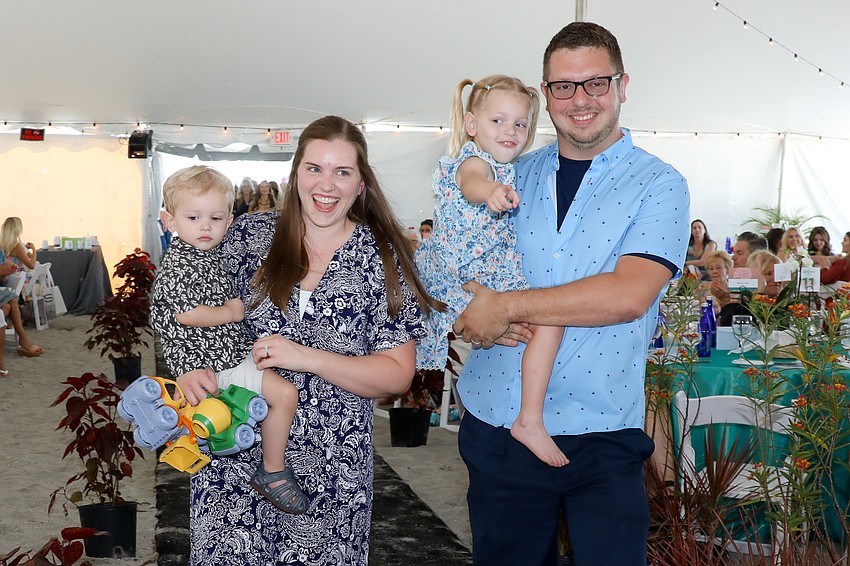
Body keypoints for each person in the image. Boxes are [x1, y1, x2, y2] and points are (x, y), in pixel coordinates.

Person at [452, 22, 690, 566]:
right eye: (564, 86)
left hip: (603, 432)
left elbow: (629, 294)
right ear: (545, 94)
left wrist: (507, 306)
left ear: (622, 86)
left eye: (596, 83)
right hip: (499, 424)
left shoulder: (659, 183)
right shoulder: (508, 172)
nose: (580, 100)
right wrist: (463, 310)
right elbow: (456, 255)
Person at [175, 115, 438, 565]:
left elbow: (397, 375)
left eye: (342, 171)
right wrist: (189, 365)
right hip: (233, 449)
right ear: (295, 173)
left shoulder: (381, 258)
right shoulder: (249, 236)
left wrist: (307, 358)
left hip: (331, 473)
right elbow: (181, 302)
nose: (327, 184)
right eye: (314, 168)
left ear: (361, 184)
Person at [416, 75, 568, 467]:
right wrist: (492, 193)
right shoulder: (475, 161)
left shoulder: (510, 167)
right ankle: (529, 420)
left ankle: (509, 410)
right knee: (551, 319)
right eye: (498, 121)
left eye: (520, 124)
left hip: (482, 268)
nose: (510, 131)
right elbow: (471, 185)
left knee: (540, 325)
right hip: (464, 269)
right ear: (472, 126)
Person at [152, 165, 308, 514]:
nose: (205, 226)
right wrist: (232, 312)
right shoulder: (180, 262)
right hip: (218, 365)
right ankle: (273, 470)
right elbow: (185, 313)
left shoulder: (208, 254)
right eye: (193, 217)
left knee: (280, 393)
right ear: (170, 220)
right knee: (283, 395)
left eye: (215, 218)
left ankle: (265, 463)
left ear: (229, 219)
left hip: (230, 356)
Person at [0, 242, 42, 357]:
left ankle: (22, 340)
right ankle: (23, 340)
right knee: (11, 299)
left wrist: (5, 274)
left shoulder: (2, 250)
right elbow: (31, 265)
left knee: (8, 304)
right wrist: (34, 250)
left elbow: (2, 280)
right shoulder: (16, 246)